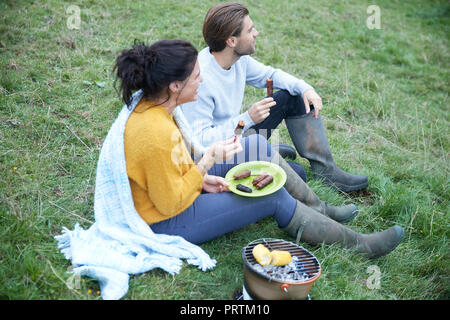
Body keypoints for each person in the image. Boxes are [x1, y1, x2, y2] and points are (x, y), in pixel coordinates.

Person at [112, 39, 404, 259]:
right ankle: (360, 246)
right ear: (175, 85)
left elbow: (169, 170)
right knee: (272, 196)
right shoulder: (154, 130)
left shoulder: (158, 110)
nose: (201, 79)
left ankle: (323, 213)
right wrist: (206, 164)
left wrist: (201, 179)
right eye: (196, 76)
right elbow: (169, 202)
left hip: (170, 198)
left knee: (256, 147)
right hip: (167, 222)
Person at [179, 2, 368, 193]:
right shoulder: (200, 79)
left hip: (238, 134)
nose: (256, 33)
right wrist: (247, 119)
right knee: (297, 174)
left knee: (293, 95)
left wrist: (305, 88)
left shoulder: (238, 59)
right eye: (250, 30)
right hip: (218, 153)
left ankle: (327, 172)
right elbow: (200, 142)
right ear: (231, 41)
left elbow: (270, 75)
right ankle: (267, 150)